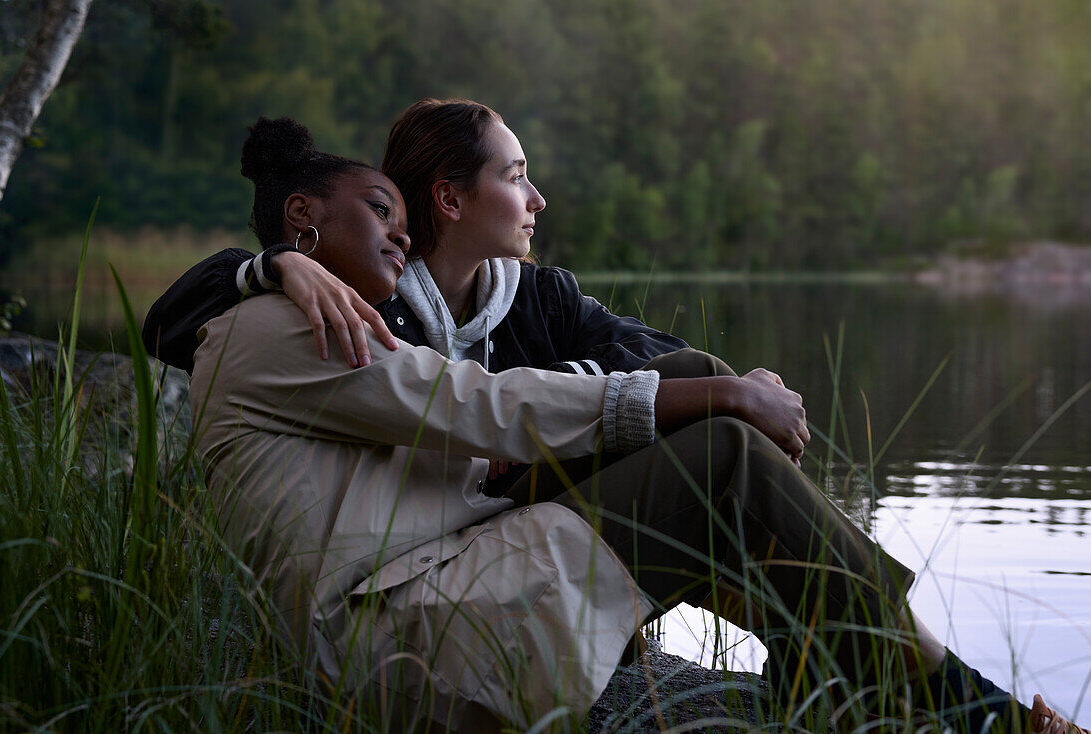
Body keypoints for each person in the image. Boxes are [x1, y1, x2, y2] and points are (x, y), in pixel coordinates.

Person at [183, 116, 1083, 734]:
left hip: (442, 557)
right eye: (381, 213)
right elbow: (477, 405)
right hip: (392, 635)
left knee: (702, 388)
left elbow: (650, 361)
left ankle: (843, 664)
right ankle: (953, 703)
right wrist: (270, 270)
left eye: (398, 213)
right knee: (722, 448)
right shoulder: (293, 318)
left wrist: (722, 384)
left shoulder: (514, 296)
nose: (402, 234)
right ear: (303, 220)